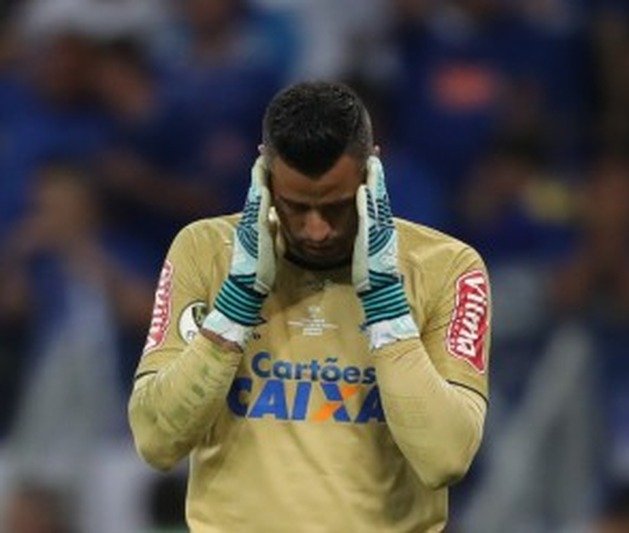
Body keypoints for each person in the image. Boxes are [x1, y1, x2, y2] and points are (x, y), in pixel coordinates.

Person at [128, 81, 491, 532]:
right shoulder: (206, 252)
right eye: (296, 206)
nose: (316, 230)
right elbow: (156, 440)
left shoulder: (446, 268)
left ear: (371, 173)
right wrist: (236, 305)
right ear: (264, 176)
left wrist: (385, 304)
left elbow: (446, 458)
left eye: (336, 207)